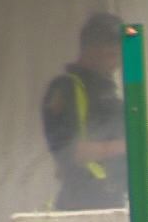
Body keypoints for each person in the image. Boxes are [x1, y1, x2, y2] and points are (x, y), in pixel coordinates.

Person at [41, 12, 128, 210]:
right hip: (82, 203)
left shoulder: (108, 90)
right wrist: (130, 145)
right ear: (90, 50)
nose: (116, 64)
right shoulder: (66, 89)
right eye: (111, 55)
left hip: (114, 200)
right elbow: (72, 152)